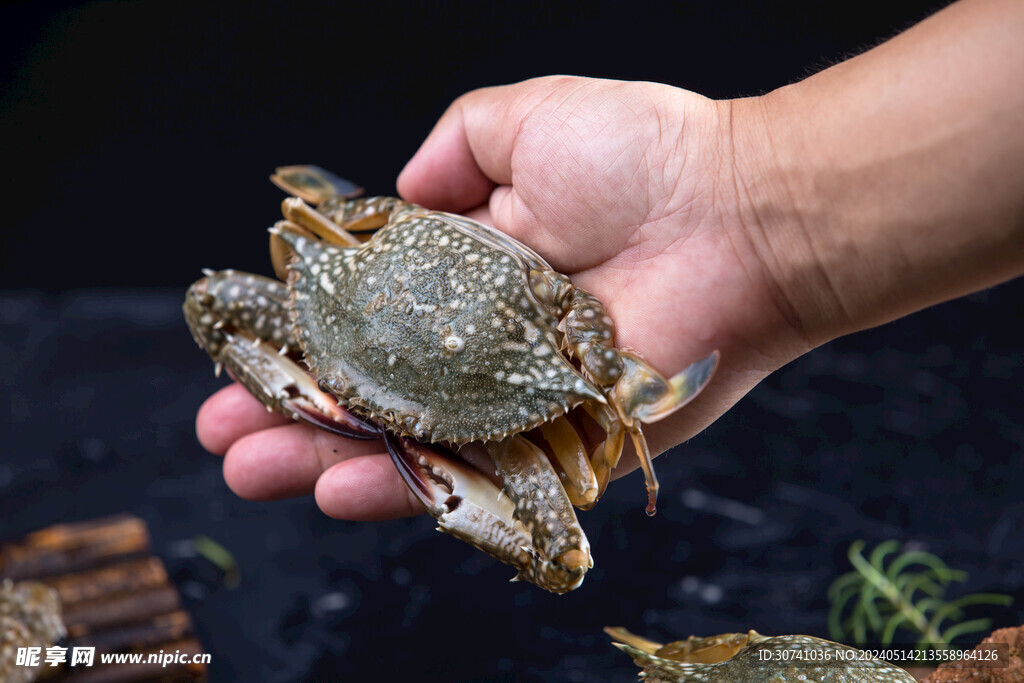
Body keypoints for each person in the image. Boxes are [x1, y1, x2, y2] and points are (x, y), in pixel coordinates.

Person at [195, 0, 1023, 522]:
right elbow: (218, 306)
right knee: (211, 298)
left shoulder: (574, 358)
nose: (385, 419)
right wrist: (749, 207)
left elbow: (564, 538)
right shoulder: (347, 238)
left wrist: (738, 200)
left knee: (561, 537)